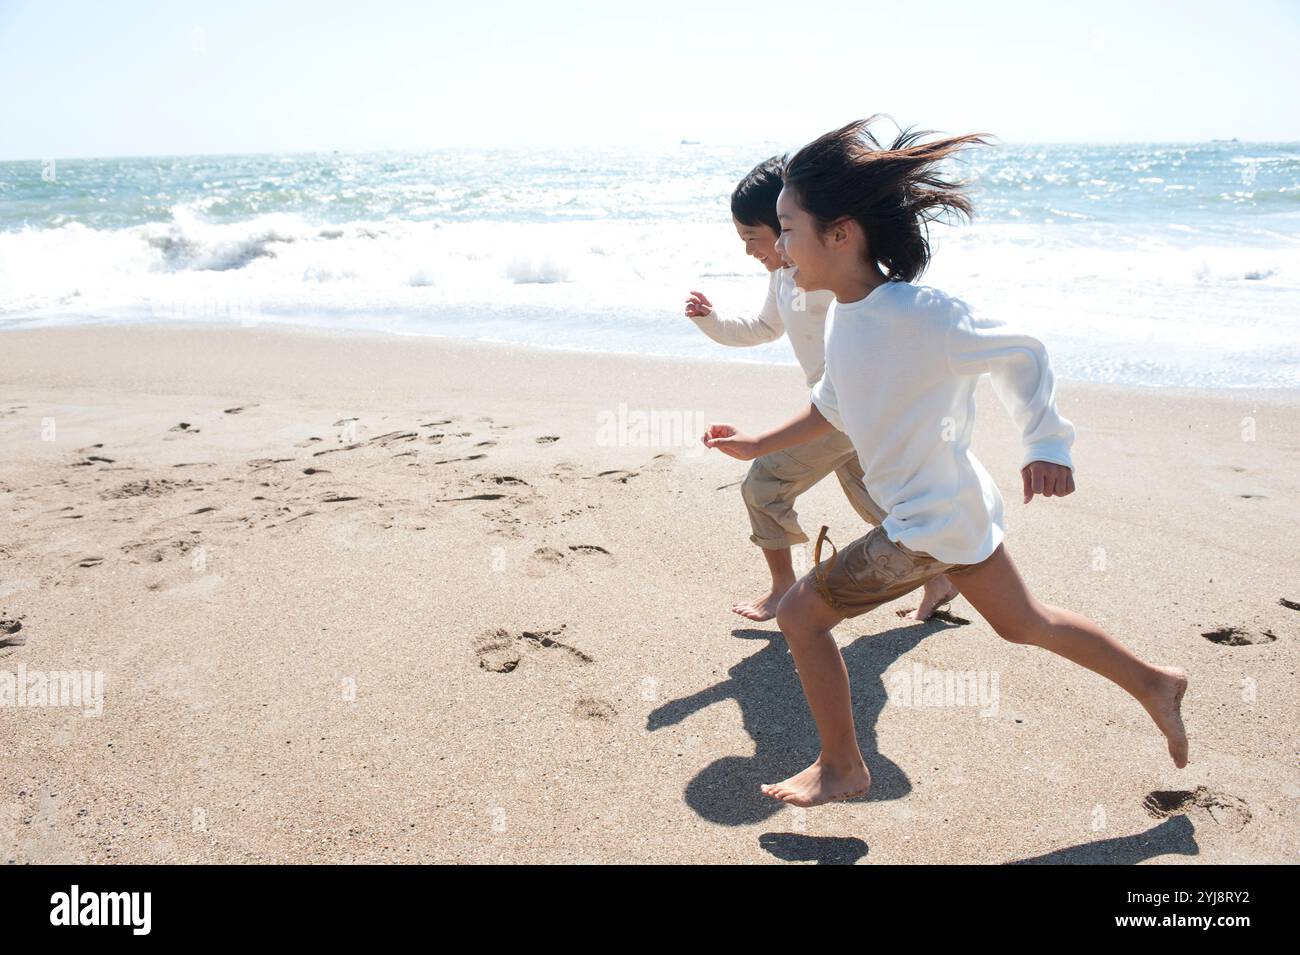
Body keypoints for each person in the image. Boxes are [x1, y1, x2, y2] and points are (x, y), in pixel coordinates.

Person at [702, 116, 1189, 808]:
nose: (778, 245)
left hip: (928, 521)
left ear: (840, 234)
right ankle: (1155, 682)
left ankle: (842, 764)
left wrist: (1047, 443)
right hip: (949, 509)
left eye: (787, 228)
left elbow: (1023, 351)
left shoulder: (921, 314)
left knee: (802, 615)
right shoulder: (843, 317)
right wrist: (755, 445)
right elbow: (832, 408)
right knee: (1026, 623)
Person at [686, 155, 955, 621]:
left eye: (753, 236)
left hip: (841, 411)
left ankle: (782, 591)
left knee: (764, 484)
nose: (749, 250)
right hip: (840, 412)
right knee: (878, 503)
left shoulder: (833, 278)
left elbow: (880, 334)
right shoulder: (783, 276)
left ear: (788, 223)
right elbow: (762, 327)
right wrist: (711, 322)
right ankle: (941, 576)